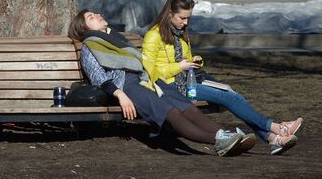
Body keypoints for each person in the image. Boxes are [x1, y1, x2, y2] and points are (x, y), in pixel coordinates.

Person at [69, 9, 253, 157]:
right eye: (91, 17)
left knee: (186, 106)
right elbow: (98, 77)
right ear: (84, 28)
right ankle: (218, 140)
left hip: (148, 79)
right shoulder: (89, 46)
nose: (98, 15)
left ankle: (226, 136)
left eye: (96, 13)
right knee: (169, 112)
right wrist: (121, 95)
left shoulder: (116, 39)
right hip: (127, 86)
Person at [142, 0, 303, 155]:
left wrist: (194, 61)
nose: (185, 23)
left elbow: (185, 59)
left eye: (188, 18)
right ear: (169, 14)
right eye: (182, 18)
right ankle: (276, 128)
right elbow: (149, 71)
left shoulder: (180, 34)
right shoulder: (153, 36)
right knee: (228, 97)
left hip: (187, 80)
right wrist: (179, 67)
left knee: (233, 94)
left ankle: (272, 138)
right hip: (169, 87)